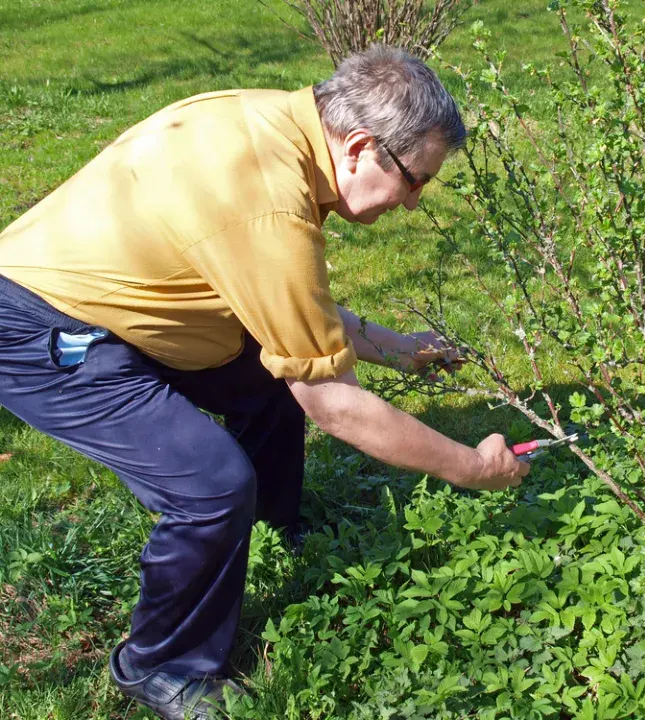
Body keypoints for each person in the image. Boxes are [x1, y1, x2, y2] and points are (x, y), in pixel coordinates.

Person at [0, 45, 529, 719]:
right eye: (415, 179)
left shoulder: (272, 126)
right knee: (209, 483)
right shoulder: (266, 197)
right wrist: (469, 467)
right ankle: (160, 662)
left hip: (120, 306)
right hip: (39, 331)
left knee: (270, 379)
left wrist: (401, 350)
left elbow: (284, 299)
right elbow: (334, 402)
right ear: (362, 146)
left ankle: (270, 532)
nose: (415, 204)